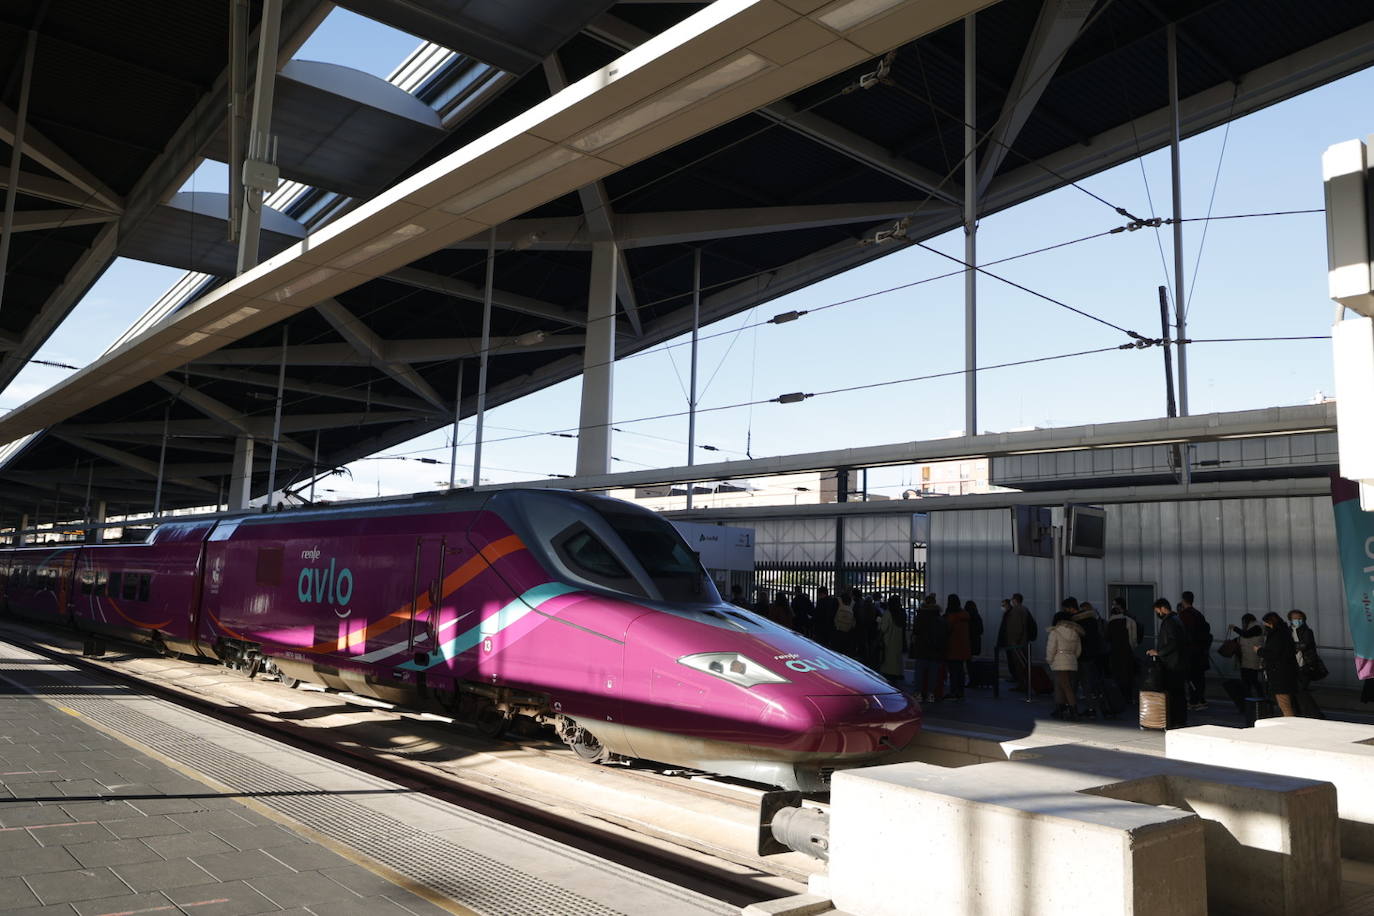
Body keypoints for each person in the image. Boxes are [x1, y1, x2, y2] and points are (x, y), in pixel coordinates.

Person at [1146, 598, 1188, 728]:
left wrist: (1159, 652)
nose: (1157, 614)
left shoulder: (1169, 622)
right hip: (1180, 663)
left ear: (1163, 608)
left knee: (1173, 693)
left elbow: (1173, 642)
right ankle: (1180, 719)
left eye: (1157, 611)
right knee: (1179, 694)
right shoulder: (1177, 619)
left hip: (1171, 664)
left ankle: (1174, 720)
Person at [1069, 598, 1109, 717]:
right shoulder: (1096, 620)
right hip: (1096, 655)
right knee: (1092, 682)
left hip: (1082, 656)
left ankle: (1073, 706)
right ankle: (1098, 706)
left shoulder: (1079, 623)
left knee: (1079, 682)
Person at [1257, 611, 1300, 716]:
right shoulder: (1285, 632)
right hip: (1287, 671)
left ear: (1270, 623)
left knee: (1284, 703)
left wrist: (1259, 651)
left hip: (1279, 674)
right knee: (1289, 702)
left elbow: (1274, 653)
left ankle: (1290, 725)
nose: (1265, 626)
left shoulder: (1276, 635)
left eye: (1266, 623)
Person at [1287, 610, 1326, 718]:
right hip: (1292, 665)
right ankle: (1299, 712)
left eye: (1300, 619)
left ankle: (1315, 713)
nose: (1297, 621)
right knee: (1294, 690)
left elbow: (1306, 644)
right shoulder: (1287, 631)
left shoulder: (1307, 631)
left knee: (1301, 689)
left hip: (1305, 665)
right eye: (1295, 619)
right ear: (1290, 620)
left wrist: (1292, 646)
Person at [1178, 591, 1212, 710]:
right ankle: (1201, 699)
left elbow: (1182, 634)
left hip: (1190, 652)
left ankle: (1194, 701)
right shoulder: (1199, 614)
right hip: (1201, 652)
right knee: (1199, 677)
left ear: (1183, 600)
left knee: (1190, 677)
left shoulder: (1184, 615)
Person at [1046, 610, 1083, 719]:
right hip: (1071, 660)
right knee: (1063, 685)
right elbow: (1078, 650)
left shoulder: (1055, 631)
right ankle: (1060, 709)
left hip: (1060, 661)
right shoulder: (1075, 631)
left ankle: (1073, 711)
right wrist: (1072, 658)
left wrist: (1049, 660)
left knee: (1065, 686)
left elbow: (1051, 648)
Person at [909, 597, 947, 703]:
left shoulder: (920, 617)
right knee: (933, 673)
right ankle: (931, 694)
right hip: (935, 650)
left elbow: (915, 632)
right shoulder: (939, 618)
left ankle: (918, 693)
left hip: (922, 648)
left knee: (919, 673)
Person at [996, 593, 1037, 691]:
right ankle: (1024, 684)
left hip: (1017, 644)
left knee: (1019, 665)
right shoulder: (1024, 609)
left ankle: (1023, 685)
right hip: (1023, 642)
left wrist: (1014, 641)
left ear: (1014, 600)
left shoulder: (1016, 611)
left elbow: (1016, 628)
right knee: (1023, 665)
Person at [1105, 598, 1139, 707]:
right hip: (1127, 651)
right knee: (1128, 674)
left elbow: (1107, 638)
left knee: (1117, 674)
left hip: (1115, 652)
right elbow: (1133, 639)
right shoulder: (1130, 620)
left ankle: (1118, 698)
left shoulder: (1110, 622)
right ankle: (1128, 697)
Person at [1229, 614, 1265, 700]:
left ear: (1246, 620)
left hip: (1252, 657)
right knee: (1248, 680)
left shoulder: (1257, 627)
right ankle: (1249, 698)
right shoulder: (1252, 627)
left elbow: (1246, 635)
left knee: (1252, 679)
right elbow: (1245, 637)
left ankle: (1259, 697)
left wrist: (1235, 628)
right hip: (1247, 658)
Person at [943, 595, 971, 701]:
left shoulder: (951, 617)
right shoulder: (965, 615)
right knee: (960, 670)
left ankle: (953, 691)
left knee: (953, 671)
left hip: (952, 646)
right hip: (963, 646)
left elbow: (947, 630)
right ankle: (960, 691)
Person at [877, 601, 906, 684]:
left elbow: (883, 628)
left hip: (888, 642)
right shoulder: (901, 614)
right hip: (898, 642)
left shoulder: (888, 613)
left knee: (888, 664)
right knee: (896, 661)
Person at [833, 590, 857, 656]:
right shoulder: (853, 603)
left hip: (838, 629)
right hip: (848, 630)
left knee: (837, 649)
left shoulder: (837, 601)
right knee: (845, 650)